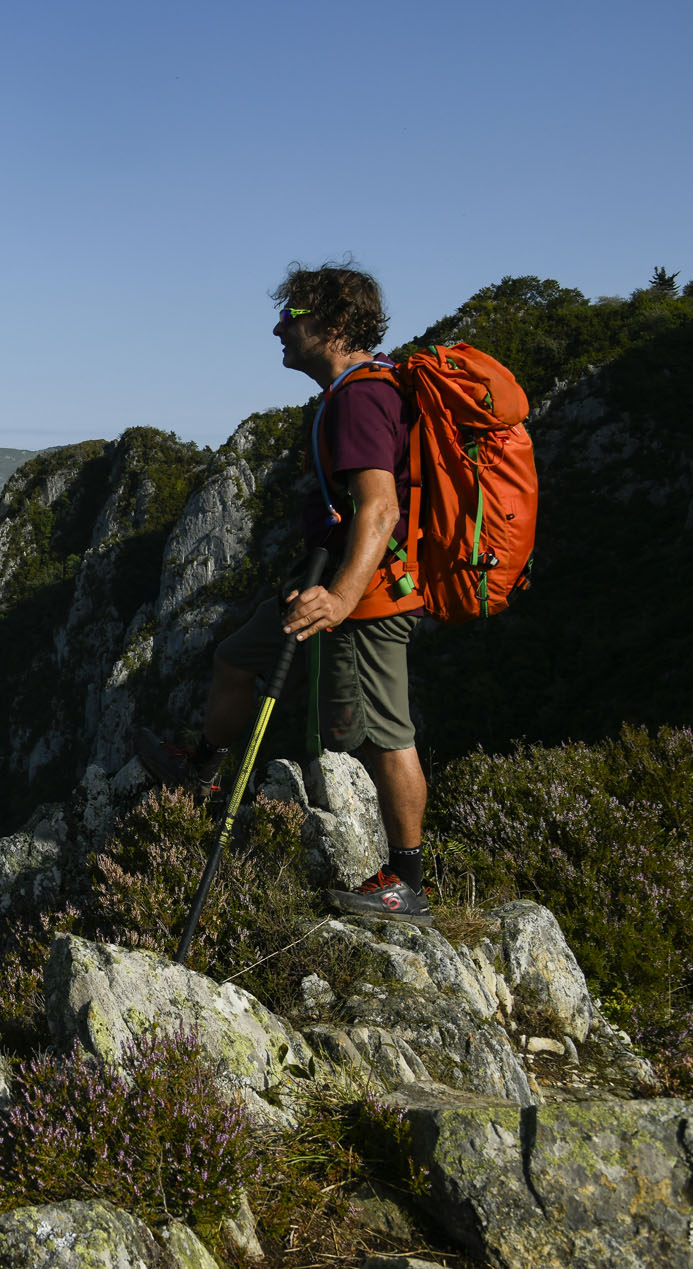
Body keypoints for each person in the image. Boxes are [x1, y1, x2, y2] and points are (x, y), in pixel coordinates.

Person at [172, 262, 431, 924]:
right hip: (326, 583)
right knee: (236, 655)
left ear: (336, 324)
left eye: (291, 317)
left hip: (366, 600)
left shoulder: (362, 397)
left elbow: (379, 509)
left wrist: (341, 597)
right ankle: (203, 767)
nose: (278, 329)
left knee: (382, 737)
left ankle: (406, 879)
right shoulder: (344, 394)